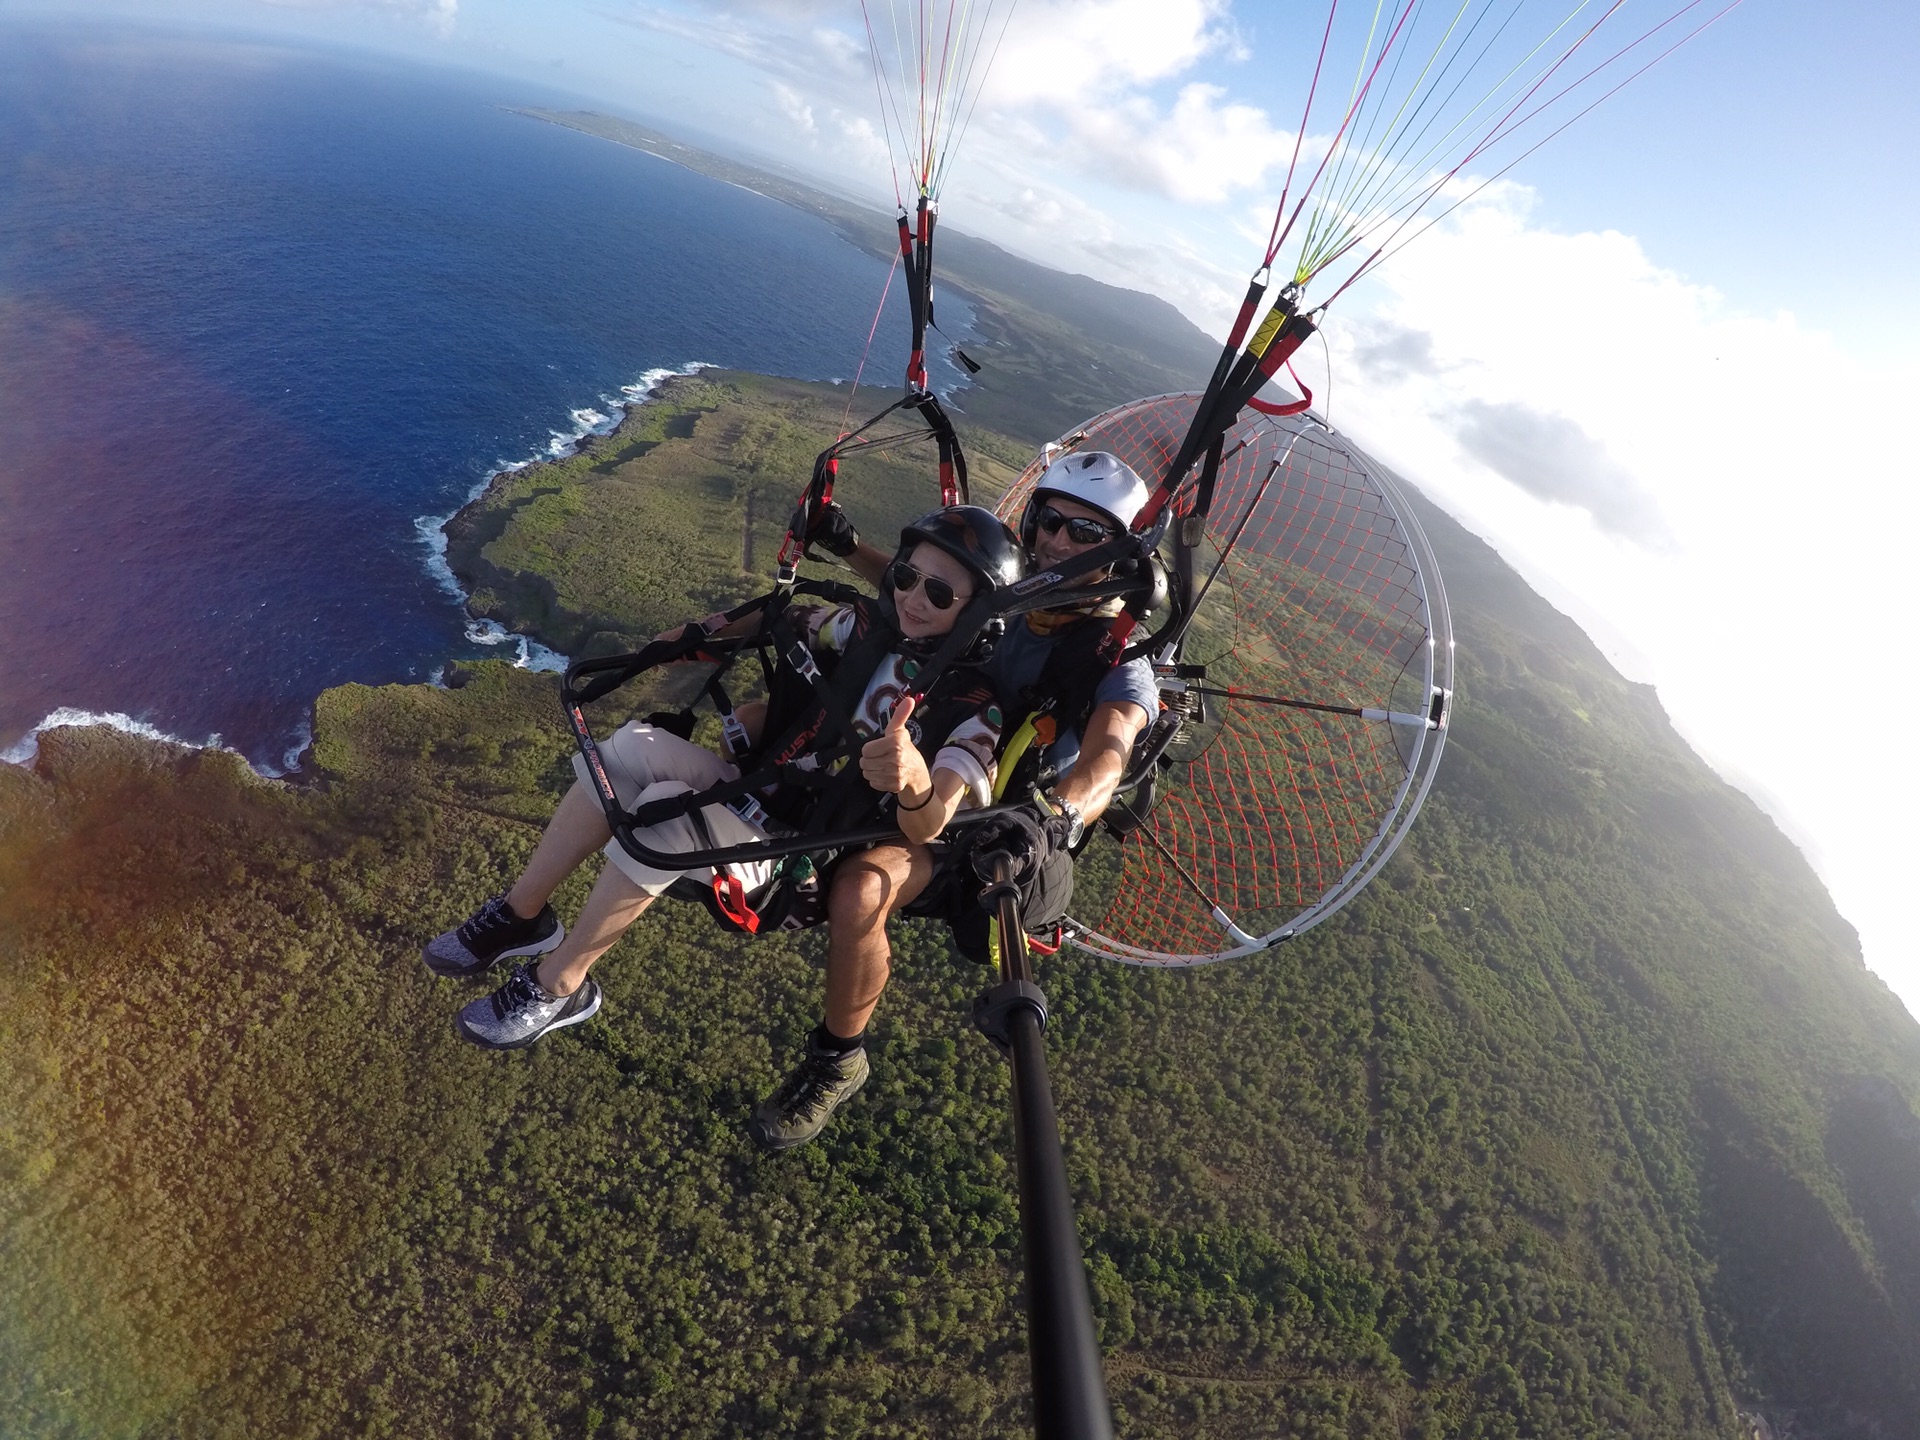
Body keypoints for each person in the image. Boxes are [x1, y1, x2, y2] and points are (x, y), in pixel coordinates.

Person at [421, 507, 1025, 1128]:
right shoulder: (866, 626)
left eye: (939, 591)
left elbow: (931, 824)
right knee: (629, 747)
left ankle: (561, 984)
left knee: (661, 812)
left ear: (979, 613)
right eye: (905, 576)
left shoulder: (973, 707)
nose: (912, 598)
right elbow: (780, 618)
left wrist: (917, 781)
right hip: (760, 794)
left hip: (800, 860)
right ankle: (523, 914)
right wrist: (698, 635)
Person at [752, 450, 1159, 1149]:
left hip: (976, 827)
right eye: (1049, 519)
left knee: (860, 892)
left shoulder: (1117, 660)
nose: (1057, 541)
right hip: (909, 765)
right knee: (767, 725)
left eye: (1085, 535)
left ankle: (838, 1059)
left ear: (1118, 554)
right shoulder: (1016, 593)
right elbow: (930, 597)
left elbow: (1108, 755)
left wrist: (1056, 815)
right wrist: (851, 548)